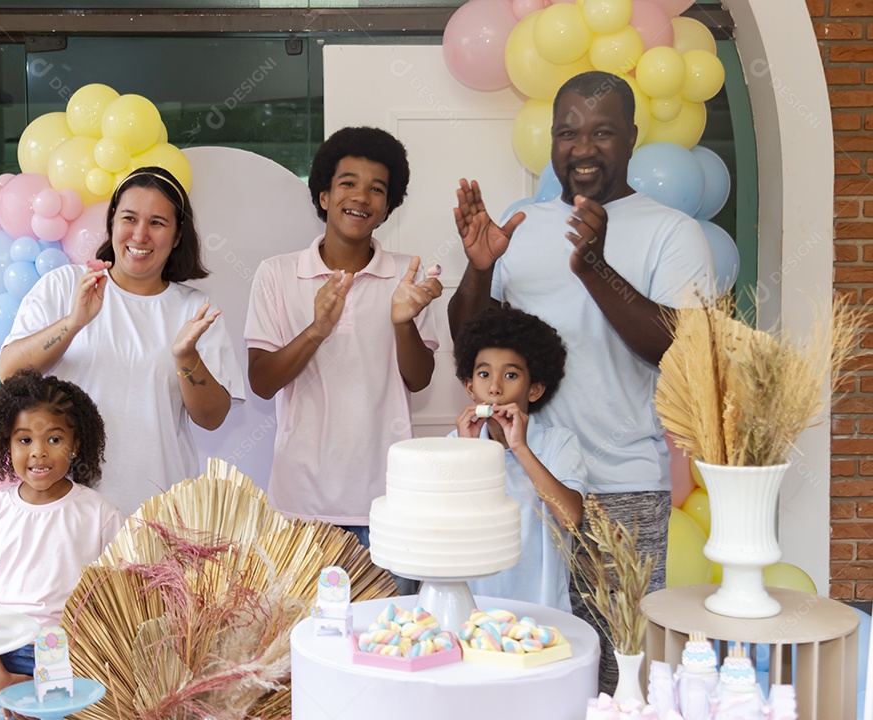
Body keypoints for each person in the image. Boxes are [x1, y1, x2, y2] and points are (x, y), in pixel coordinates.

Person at [447, 71, 713, 691]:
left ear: (632, 139)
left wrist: (594, 267)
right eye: (567, 132)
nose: (583, 147)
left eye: (602, 132)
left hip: (619, 489)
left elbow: (672, 346)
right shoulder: (521, 225)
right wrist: (479, 269)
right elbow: (472, 344)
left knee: (619, 671)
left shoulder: (673, 232)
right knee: (514, 663)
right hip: (519, 486)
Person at [0, 167, 246, 515]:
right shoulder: (64, 286)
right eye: (129, 218)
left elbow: (211, 417)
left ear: (177, 236)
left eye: (158, 223)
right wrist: (74, 322)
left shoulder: (194, 310)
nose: (140, 234)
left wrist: (187, 358)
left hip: (161, 512)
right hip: (70, 511)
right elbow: (10, 372)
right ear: (113, 222)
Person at [244, 126, 442, 553]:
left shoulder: (409, 274)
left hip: (388, 504)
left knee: (390, 622)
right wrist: (317, 329)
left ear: (388, 207)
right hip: (300, 508)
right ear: (324, 196)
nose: (361, 197)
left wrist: (403, 321)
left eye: (376, 189)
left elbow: (419, 379)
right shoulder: (277, 274)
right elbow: (261, 382)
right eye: (347, 183)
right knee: (302, 623)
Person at [0, 369, 124, 720]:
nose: (38, 453)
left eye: (54, 439)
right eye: (24, 440)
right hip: (6, 653)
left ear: (76, 443)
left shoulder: (100, 514)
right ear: (5, 444)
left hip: (79, 654)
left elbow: (120, 594)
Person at [451, 304, 585, 611]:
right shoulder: (455, 444)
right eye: (484, 374)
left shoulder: (557, 443)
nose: (495, 388)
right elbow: (445, 527)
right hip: (472, 608)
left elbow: (570, 518)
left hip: (542, 612)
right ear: (471, 388)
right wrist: (467, 454)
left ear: (535, 390)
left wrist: (521, 449)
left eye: (510, 375)